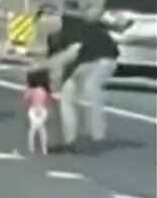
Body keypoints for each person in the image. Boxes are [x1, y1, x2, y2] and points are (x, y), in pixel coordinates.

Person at [45, 10, 120, 151]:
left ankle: (96, 134)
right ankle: (70, 140)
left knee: (90, 87)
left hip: (103, 59)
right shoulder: (63, 36)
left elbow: (69, 56)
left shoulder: (74, 32)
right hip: (88, 61)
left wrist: (53, 72)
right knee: (67, 95)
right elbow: (64, 64)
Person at [21, 68, 52, 155]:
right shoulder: (44, 90)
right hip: (43, 110)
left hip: (33, 110)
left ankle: (31, 147)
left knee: (32, 129)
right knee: (42, 129)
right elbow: (47, 100)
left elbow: (26, 100)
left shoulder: (30, 90)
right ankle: (44, 148)